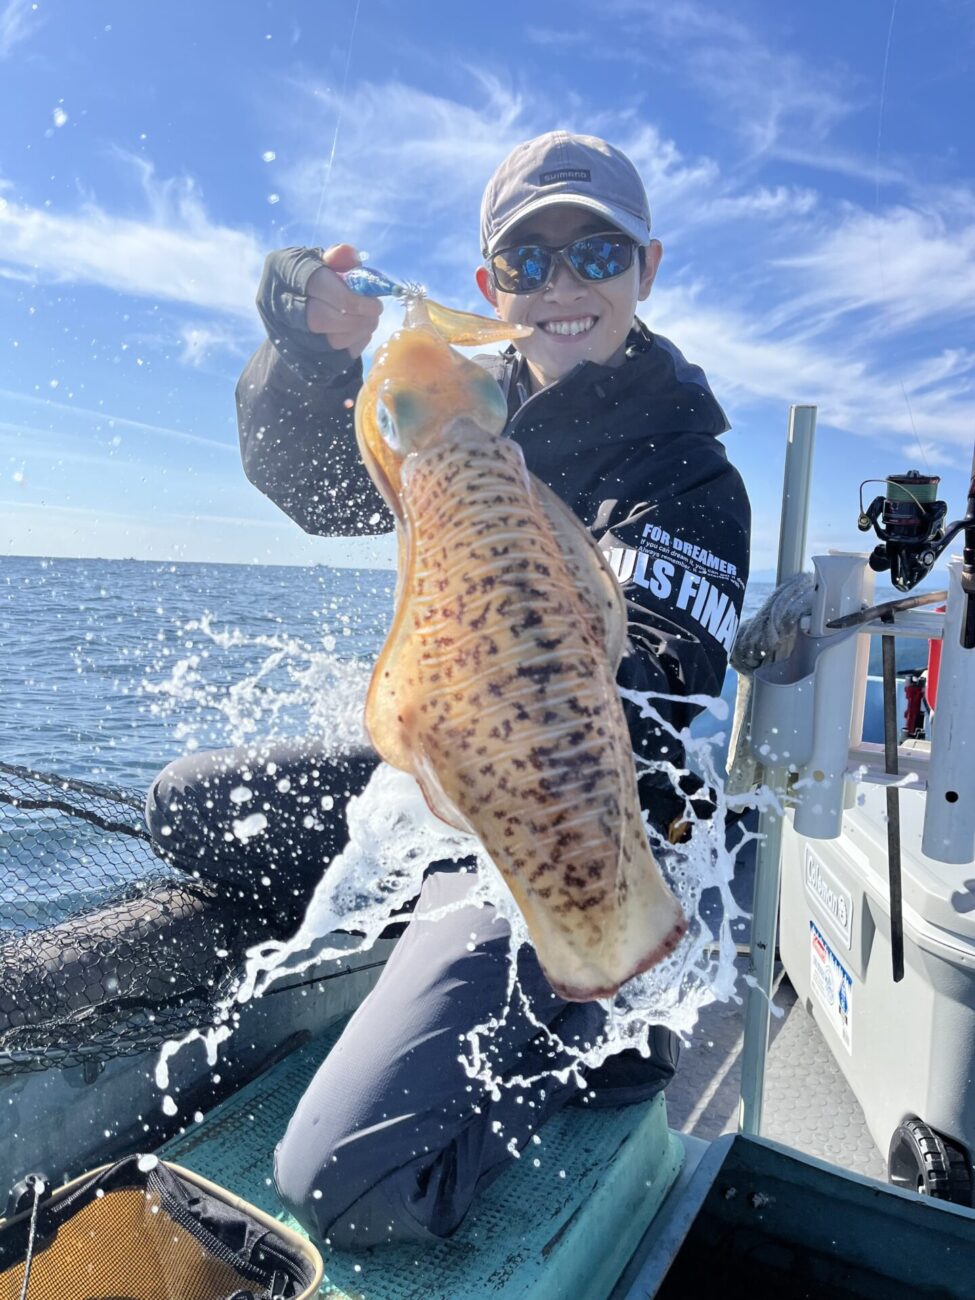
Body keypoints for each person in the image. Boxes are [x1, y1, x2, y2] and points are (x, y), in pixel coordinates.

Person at [146, 131, 750, 1248]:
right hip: (445, 787)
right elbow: (316, 487)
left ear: (646, 270)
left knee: (341, 1179)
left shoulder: (687, 468)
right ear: (489, 283)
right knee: (188, 805)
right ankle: (421, 936)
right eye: (527, 262)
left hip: (572, 815)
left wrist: (516, 612)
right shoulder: (463, 406)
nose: (560, 285)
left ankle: (599, 1026)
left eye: (596, 254)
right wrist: (308, 353)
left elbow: (656, 693)